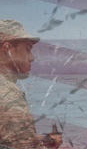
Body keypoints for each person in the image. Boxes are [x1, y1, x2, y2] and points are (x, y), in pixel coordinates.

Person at [0, 19, 62, 149]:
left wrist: (45, 141)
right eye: (27, 50)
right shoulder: (8, 94)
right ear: (7, 48)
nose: (32, 57)